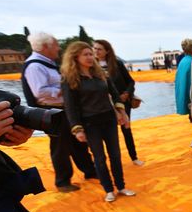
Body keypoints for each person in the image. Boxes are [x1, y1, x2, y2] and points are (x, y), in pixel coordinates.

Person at [60, 41, 136, 203]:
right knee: (100, 158)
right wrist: (77, 129)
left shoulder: (100, 74)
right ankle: (108, 189)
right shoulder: (70, 79)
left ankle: (121, 186)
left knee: (115, 155)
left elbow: (114, 94)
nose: (90, 57)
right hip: (89, 124)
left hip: (108, 119)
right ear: (75, 57)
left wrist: (122, 113)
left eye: (90, 54)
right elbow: (70, 107)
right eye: (85, 54)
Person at [21, 31, 96, 192]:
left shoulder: (49, 63)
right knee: (60, 146)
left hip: (64, 109)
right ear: (45, 46)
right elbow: (40, 92)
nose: (59, 48)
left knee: (78, 142)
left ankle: (90, 170)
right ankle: (62, 181)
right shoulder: (35, 66)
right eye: (56, 44)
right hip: (53, 112)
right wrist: (65, 91)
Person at [93, 39, 143, 166]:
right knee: (106, 133)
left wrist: (126, 94)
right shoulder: (91, 66)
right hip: (102, 105)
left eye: (99, 49)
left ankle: (134, 157)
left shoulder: (117, 64)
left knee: (126, 129)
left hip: (122, 101)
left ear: (107, 51)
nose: (96, 51)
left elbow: (130, 81)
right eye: (94, 48)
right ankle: (108, 162)